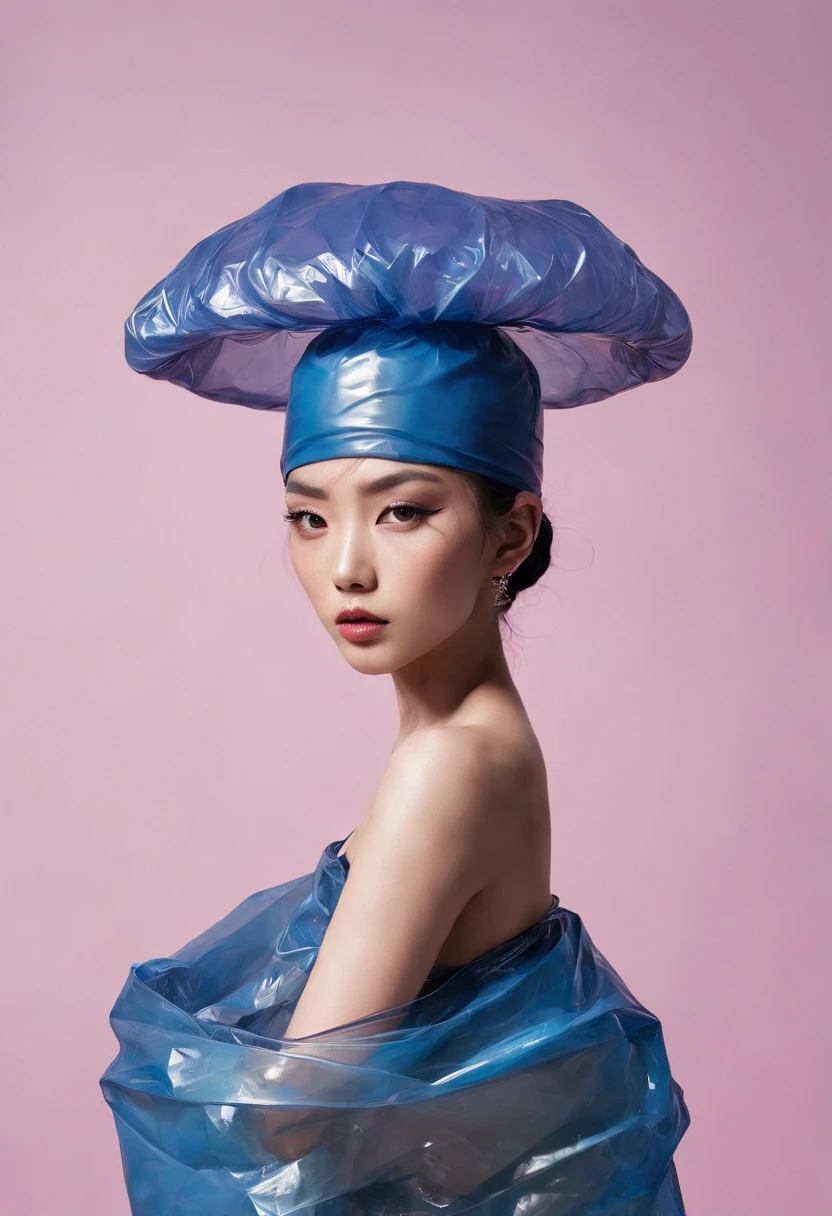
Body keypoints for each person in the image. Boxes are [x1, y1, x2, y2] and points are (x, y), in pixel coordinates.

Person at [100, 181, 693, 1214]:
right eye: (308, 517)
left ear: (510, 532)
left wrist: (186, 1046)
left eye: (404, 511)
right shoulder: (476, 741)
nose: (347, 568)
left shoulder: (450, 763)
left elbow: (290, 1113)